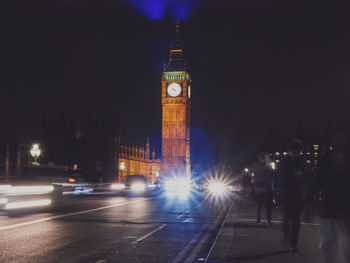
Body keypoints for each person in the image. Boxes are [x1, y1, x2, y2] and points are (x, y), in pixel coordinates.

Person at [316, 131, 350, 263]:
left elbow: (317, 180)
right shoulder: (325, 159)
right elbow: (318, 180)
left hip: (331, 205)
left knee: (329, 242)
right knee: (331, 242)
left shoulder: (324, 159)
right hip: (336, 205)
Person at [279, 139, 307, 252]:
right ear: (290, 151)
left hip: (297, 194)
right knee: (286, 219)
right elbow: (280, 176)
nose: (297, 154)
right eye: (295, 152)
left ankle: (293, 243)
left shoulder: (301, 161)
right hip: (286, 193)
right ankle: (287, 240)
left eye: (298, 152)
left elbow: (305, 176)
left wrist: (300, 176)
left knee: (295, 220)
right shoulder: (285, 161)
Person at [252, 153, 273, 227]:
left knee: (261, 205)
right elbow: (270, 178)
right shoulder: (268, 167)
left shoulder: (258, 166)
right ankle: (267, 221)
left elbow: (255, 177)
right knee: (267, 207)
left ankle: (259, 220)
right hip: (266, 188)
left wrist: (256, 185)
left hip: (261, 188)